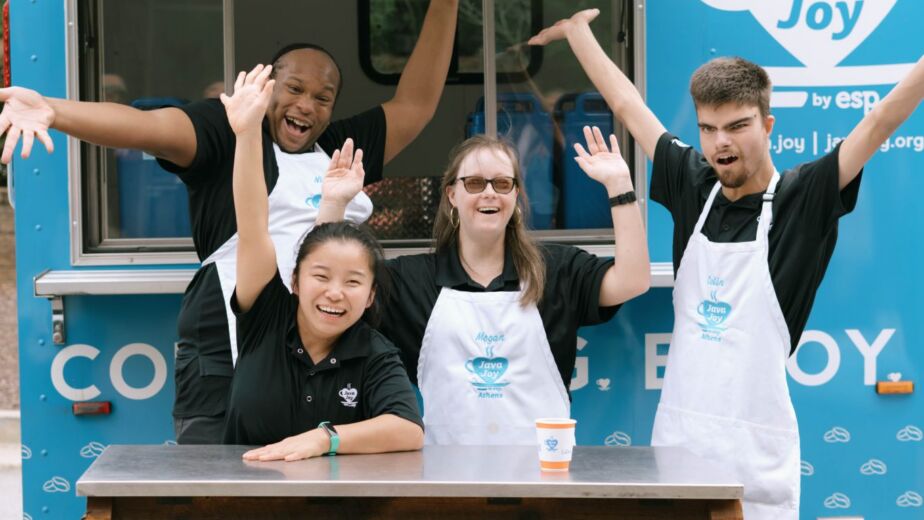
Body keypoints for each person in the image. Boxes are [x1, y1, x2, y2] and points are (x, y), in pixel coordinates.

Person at [0, 0, 459, 444]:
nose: (306, 105)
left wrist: (445, 3)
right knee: (215, 474)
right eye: (294, 89)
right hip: (230, 326)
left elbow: (416, 105)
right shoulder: (228, 127)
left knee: (306, 465)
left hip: (318, 339)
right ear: (268, 86)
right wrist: (54, 111)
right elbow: (145, 126)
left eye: (323, 98)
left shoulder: (340, 149)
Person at [529, 9, 924, 519]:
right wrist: (578, 34)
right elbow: (628, 106)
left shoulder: (803, 198)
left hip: (753, 458)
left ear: (767, 124)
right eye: (709, 129)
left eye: (738, 126)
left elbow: (882, 119)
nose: (721, 143)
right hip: (680, 444)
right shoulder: (694, 185)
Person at [374, 128, 649, 445]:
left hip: (544, 476)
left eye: (502, 183)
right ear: (451, 194)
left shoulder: (556, 269)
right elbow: (323, 286)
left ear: (516, 194)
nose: (489, 192)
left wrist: (620, 187)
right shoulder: (410, 278)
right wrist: (334, 203)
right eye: (475, 183)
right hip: (448, 477)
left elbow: (633, 280)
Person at [221, 64, 422, 460]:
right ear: (294, 281)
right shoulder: (266, 314)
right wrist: (246, 136)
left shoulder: (373, 351)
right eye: (321, 277)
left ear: (369, 297)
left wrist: (324, 439)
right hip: (244, 498)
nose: (335, 292)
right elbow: (252, 225)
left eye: (353, 282)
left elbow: (407, 429)